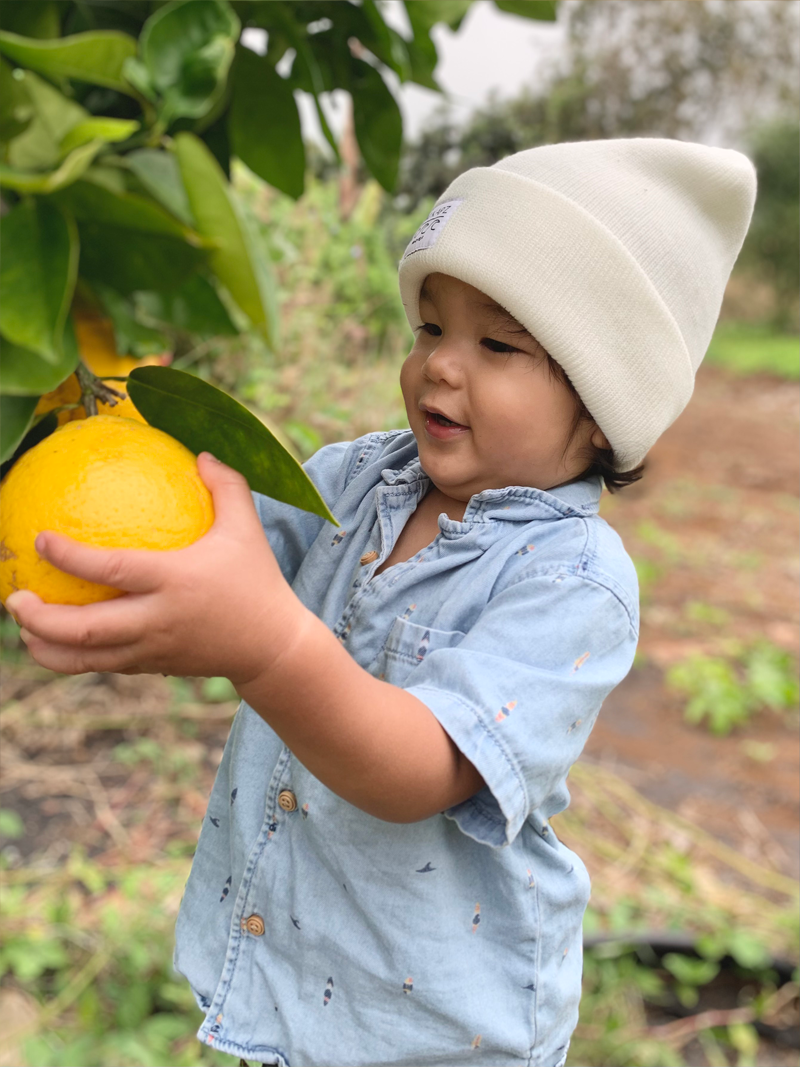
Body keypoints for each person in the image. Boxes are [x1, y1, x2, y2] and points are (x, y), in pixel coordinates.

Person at [8, 138, 756, 1067]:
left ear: (603, 405)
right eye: (430, 329)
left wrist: (269, 646)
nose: (440, 366)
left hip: (437, 1035)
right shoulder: (354, 477)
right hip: (284, 987)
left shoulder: (573, 582)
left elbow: (419, 767)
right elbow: (206, 555)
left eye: (496, 343)